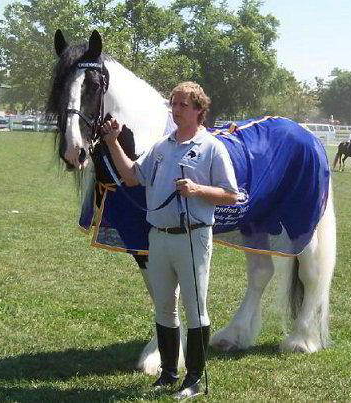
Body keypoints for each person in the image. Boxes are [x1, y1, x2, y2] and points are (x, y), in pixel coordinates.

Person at [101, 81, 238, 400]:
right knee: (164, 308)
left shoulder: (212, 147)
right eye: (173, 104)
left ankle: (194, 380)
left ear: (200, 111)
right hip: (158, 237)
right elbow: (133, 176)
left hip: (192, 237)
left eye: (182, 105)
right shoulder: (162, 146)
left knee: (195, 308)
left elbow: (231, 195)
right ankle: (168, 373)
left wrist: (198, 190)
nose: (175, 110)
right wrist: (112, 144)